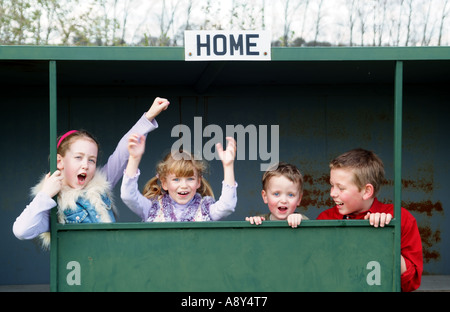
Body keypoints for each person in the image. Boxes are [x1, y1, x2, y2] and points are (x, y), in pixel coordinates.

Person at [13, 97, 170, 249]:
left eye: (91, 160)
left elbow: (122, 152)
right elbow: (21, 230)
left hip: (114, 264)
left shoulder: (100, 182)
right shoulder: (54, 204)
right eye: (78, 157)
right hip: (81, 272)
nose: (85, 165)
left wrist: (148, 117)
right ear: (60, 161)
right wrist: (45, 195)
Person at [317, 148, 423, 292]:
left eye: (341, 188)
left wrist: (385, 237)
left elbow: (411, 283)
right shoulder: (325, 219)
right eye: (331, 185)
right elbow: (316, 273)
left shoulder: (401, 218)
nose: (332, 193)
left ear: (367, 191)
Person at [120, 131, 238, 222]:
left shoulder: (205, 209)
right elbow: (128, 196)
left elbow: (227, 206)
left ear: (198, 182)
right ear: (164, 183)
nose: (183, 185)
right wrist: (134, 159)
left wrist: (228, 166)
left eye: (190, 179)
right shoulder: (152, 208)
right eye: (176, 179)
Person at [246, 162, 308, 228]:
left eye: (290, 195)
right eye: (276, 194)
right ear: (265, 196)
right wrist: (252, 224)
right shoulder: (261, 221)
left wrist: (301, 221)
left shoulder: (301, 220)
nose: (283, 200)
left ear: (299, 199)